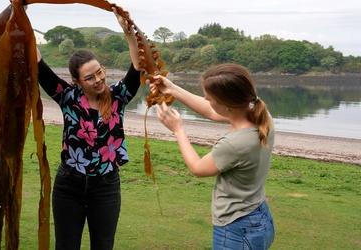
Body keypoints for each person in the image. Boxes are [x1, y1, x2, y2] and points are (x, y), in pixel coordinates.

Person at [36, 8, 141, 250]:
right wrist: (20, 11)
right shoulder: (67, 97)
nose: (98, 80)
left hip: (105, 187)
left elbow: (137, 68)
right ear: (77, 81)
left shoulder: (118, 96)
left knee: (103, 246)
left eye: (99, 72)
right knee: (66, 245)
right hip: (68, 185)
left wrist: (128, 33)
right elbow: (38, 63)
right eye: (90, 78)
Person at [151, 63, 275, 249]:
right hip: (259, 216)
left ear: (227, 105)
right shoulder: (261, 115)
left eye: (209, 98)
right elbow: (210, 110)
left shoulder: (236, 143)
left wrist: (178, 130)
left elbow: (198, 168)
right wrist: (172, 88)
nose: (207, 101)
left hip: (236, 227)